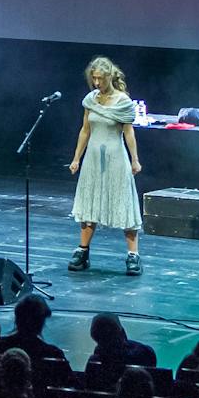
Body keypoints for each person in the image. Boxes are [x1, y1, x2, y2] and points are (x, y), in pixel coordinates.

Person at [67, 56, 143, 275]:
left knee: (123, 202)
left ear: (109, 76)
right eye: (94, 79)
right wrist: (76, 158)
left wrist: (135, 159)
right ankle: (83, 251)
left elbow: (128, 133)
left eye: (100, 78)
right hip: (92, 158)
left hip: (116, 158)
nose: (97, 83)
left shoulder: (123, 102)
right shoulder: (90, 100)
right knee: (90, 203)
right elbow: (85, 130)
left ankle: (133, 255)